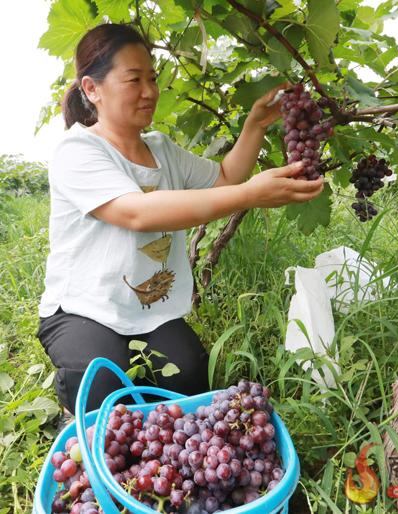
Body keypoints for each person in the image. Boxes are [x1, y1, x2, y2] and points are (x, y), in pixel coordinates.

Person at [36, 23, 324, 415]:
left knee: (188, 377)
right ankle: (76, 423)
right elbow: (135, 212)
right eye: (134, 79)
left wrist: (255, 125)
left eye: (152, 78)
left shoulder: (161, 149)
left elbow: (224, 177)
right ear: (92, 89)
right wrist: (250, 196)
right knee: (101, 378)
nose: (150, 91)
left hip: (149, 313)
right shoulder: (78, 150)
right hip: (82, 309)